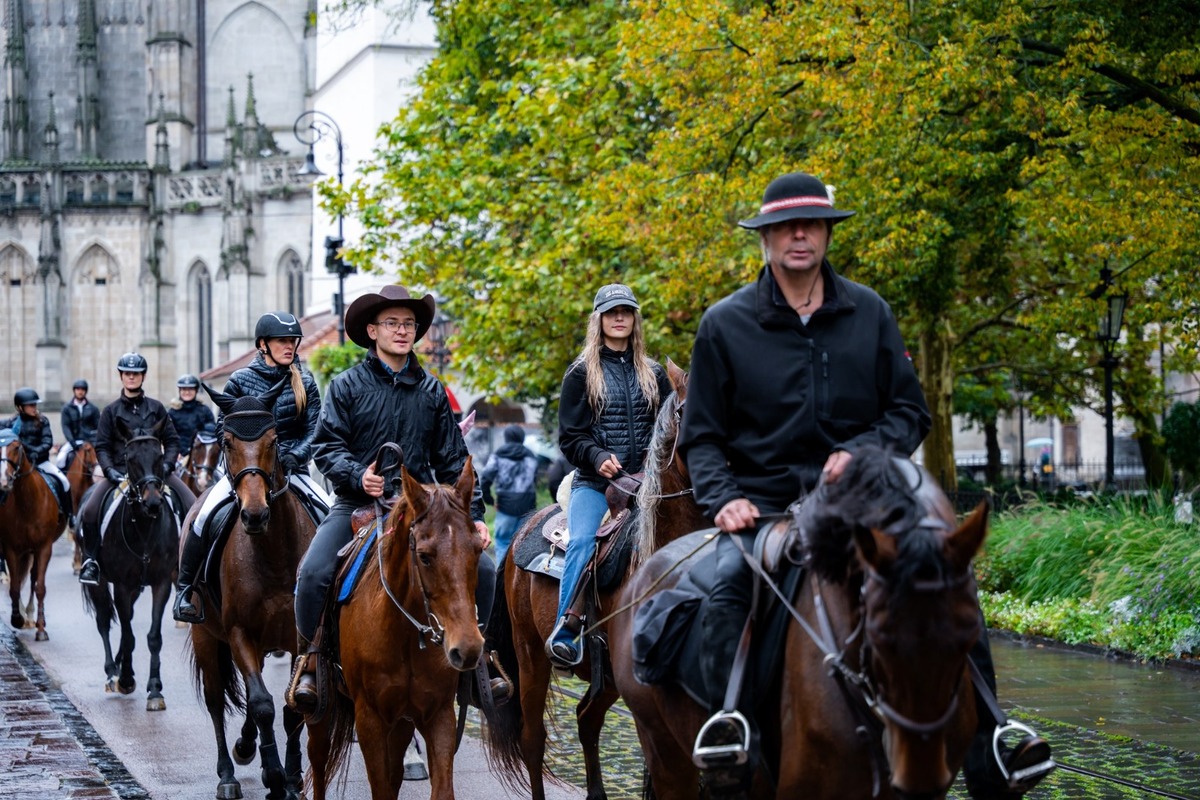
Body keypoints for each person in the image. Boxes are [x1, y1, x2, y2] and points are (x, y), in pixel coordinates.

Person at [679, 171, 1052, 797]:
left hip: (866, 500)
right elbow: (703, 436)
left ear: (827, 233)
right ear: (766, 239)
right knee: (728, 585)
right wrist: (723, 498)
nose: (800, 235)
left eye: (813, 224)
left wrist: (858, 449)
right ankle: (732, 729)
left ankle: (991, 741)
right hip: (767, 505)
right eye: (785, 227)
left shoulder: (871, 311)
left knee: (946, 583)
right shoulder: (724, 324)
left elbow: (909, 413)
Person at [288, 285, 502, 714]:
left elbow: (455, 461)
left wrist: (474, 517)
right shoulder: (346, 386)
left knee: (487, 568)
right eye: (392, 324)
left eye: (408, 324)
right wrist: (356, 475)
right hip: (357, 505)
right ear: (372, 331)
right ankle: (311, 660)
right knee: (312, 573)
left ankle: (481, 665)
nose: (402, 331)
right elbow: (327, 447)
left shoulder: (431, 391)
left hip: (422, 511)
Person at [173, 311, 330, 624]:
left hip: (291, 470)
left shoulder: (305, 382)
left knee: (327, 512)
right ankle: (185, 590)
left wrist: (293, 456)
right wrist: (243, 458)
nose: (289, 346)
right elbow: (222, 427)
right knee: (203, 516)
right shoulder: (240, 381)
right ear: (263, 344)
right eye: (282, 341)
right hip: (245, 471)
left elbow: (314, 431)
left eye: (292, 341)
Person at [547, 283, 672, 669]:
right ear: (598, 320)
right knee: (583, 542)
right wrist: (597, 456)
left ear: (635, 320)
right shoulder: (582, 373)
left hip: (649, 486)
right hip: (598, 484)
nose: (619, 318)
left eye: (626, 312)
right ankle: (566, 630)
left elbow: (669, 429)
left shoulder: (653, 373)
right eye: (612, 312)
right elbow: (569, 437)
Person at [78, 353, 196, 586]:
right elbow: (102, 446)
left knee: (193, 505)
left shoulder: (157, 408)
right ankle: (91, 562)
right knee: (90, 511)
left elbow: (172, 441)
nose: (131, 377)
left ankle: (192, 564)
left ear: (143, 377)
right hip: (121, 473)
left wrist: (166, 465)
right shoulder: (110, 412)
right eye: (127, 373)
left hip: (155, 473)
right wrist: (109, 470)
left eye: (136, 374)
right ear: (122, 376)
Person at [1, 388, 73, 520]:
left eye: (35, 404)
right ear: (20, 407)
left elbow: (47, 442)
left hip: (41, 462)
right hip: (18, 464)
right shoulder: (10, 423)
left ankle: (69, 516)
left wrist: (36, 452)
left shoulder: (42, 421)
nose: (34, 408)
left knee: (64, 481)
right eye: (31, 405)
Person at [480, 425, 539, 566]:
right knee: (524, 541)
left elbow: (485, 479)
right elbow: (534, 479)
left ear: (506, 437)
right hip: (528, 505)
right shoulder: (530, 455)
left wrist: (489, 499)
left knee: (502, 541)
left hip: (505, 504)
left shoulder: (499, 454)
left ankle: (502, 578)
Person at [167, 374, 216, 470]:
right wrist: (176, 453)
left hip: (201, 453)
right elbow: (169, 435)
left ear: (196, 391)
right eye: (184, 389)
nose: (187, 392)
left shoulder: (204, 410)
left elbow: (211, 433)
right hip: (179, 455)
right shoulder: (172, 412)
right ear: (180, 391)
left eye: (190, 389)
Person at [55, 378, 100, 469]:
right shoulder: (67, 408)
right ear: (74, 391)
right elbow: (66, 427)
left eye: (82, 389)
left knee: (99, 461)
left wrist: (92, 441)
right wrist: (72, 442)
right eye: (78, 389)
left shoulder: (93, 408)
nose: (80, 392)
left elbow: (98, 427)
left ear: (85, 391)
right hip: (73, 441)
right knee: (60, 459)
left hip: (89, 441)